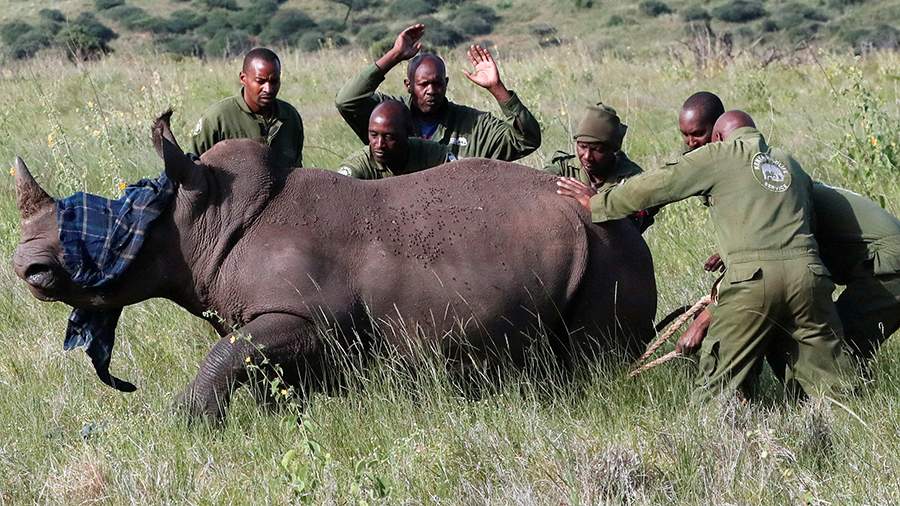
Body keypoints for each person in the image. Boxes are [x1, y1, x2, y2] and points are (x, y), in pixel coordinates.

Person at [557, 110, 854, 400]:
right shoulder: (790, 163)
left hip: (752, 282)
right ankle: (846, 425)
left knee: (716, 390)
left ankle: (722, 430)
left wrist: (599, 203)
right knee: (835, 385)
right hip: (808, 274)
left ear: (719, 135)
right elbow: (802, 222)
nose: (691, 143)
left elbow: (661, 183)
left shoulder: (719, 153)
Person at [673, 94, 900, 372]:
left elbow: (765, 258)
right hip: (876, 258)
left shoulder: (758, 174)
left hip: (887, 264)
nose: (690, 144)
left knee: (832, 354)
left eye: (698, 134)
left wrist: (705, 319)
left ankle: (841, 403)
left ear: (719, 136)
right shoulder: (762, 169)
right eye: (685, 136)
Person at [334, 24, 541, 161]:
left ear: (446, 84)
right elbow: (347, 100)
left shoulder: (473, 125)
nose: (431, 91)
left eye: (437, 84)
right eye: (423, 84)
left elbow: (526, 140)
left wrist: (497, 88)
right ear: (408, 85)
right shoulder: (389, 115)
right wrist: (394, 55)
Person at [542, 103, 655, 232]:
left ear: (613, 149)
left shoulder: (632, 179)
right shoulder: (562, 168)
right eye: (582, 147)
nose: (587, 156)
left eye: (597, 150)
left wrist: (596, 203)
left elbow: (632, 228)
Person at [190, 47, 304, 169]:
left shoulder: (290, 117)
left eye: (274, 81)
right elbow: (194, 170)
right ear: (243, 79)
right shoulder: (217, 119)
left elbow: (296, 170)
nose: (268, 89)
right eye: (260, 81)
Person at [336, 100, 456, 179]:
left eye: (388, 137)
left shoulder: (433, 154)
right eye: (373, 135)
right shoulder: (359, 165)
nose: (379, 144)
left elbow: (462, 179)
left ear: (408, 133)